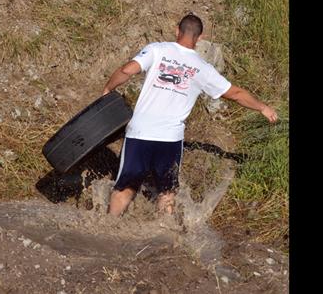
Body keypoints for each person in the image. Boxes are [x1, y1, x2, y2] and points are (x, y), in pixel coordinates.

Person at [102, 13, 278, 217]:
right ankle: (165, 235)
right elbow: (236, 93)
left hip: (140, 132)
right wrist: (262, 107)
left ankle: (108, 226)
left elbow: (127, 70)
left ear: (177, 30)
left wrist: (107, 89)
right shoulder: (203, 69)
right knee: (167, 192)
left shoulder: (157, 50)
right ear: (200, 37)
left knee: (125, 186)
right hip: (170, 138)